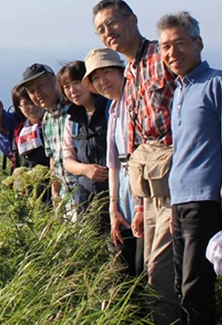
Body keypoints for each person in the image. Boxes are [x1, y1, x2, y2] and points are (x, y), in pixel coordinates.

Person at [157, 12, 222, 324]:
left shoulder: (218, 82)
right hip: (181, 202)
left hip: (205, 199)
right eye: (165, 47)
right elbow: (183, 152)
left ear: (198, 43)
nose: (172, 53)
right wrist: (173, 206)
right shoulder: (181, 91)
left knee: (196, 286)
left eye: (179, 43)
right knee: (182, 286)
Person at [92, 0, 181, 325]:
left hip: (177, 180)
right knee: (154, 271)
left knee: (162, 273)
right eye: (100, 29)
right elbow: (140, 142)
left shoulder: (163, 55)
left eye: (112, 23)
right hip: (151, 186)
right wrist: (141, 205)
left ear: (132, 19)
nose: (107, 32)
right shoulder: (131, 71)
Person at [83, 47, 144, 277]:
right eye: (95, 78)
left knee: (144, 267)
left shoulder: (135, 102)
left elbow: (139, 155)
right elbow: (114, 165)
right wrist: (113, 205)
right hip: (124, 200)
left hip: (142, 197)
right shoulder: (115, 108)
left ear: (121, 71)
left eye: (106, 72)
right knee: (125, 269)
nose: (102, 81)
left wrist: (139, 205)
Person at [16, 63, 75, 212]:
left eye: (41, 86)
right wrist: (55, 194)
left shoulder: (74, 109)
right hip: (66, 199)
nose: (38, 93)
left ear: (55, 81)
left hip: (86, 194)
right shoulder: (47, 118)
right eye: (32, 91)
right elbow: (53, 160)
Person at [57, 61, 110, 215]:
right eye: (66, 87)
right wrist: (86, 170)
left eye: (76, 83)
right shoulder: (71, 119)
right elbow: (67, 159)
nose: (72, 90)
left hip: (115, 194)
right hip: (85, 199)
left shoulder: (110, 109)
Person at [10, 87, 48, 170]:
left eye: (33, 101)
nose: (31, 107)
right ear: (19, 107)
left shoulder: (53, 121)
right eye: (26, 104)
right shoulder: (19, 130)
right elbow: (17, 162)